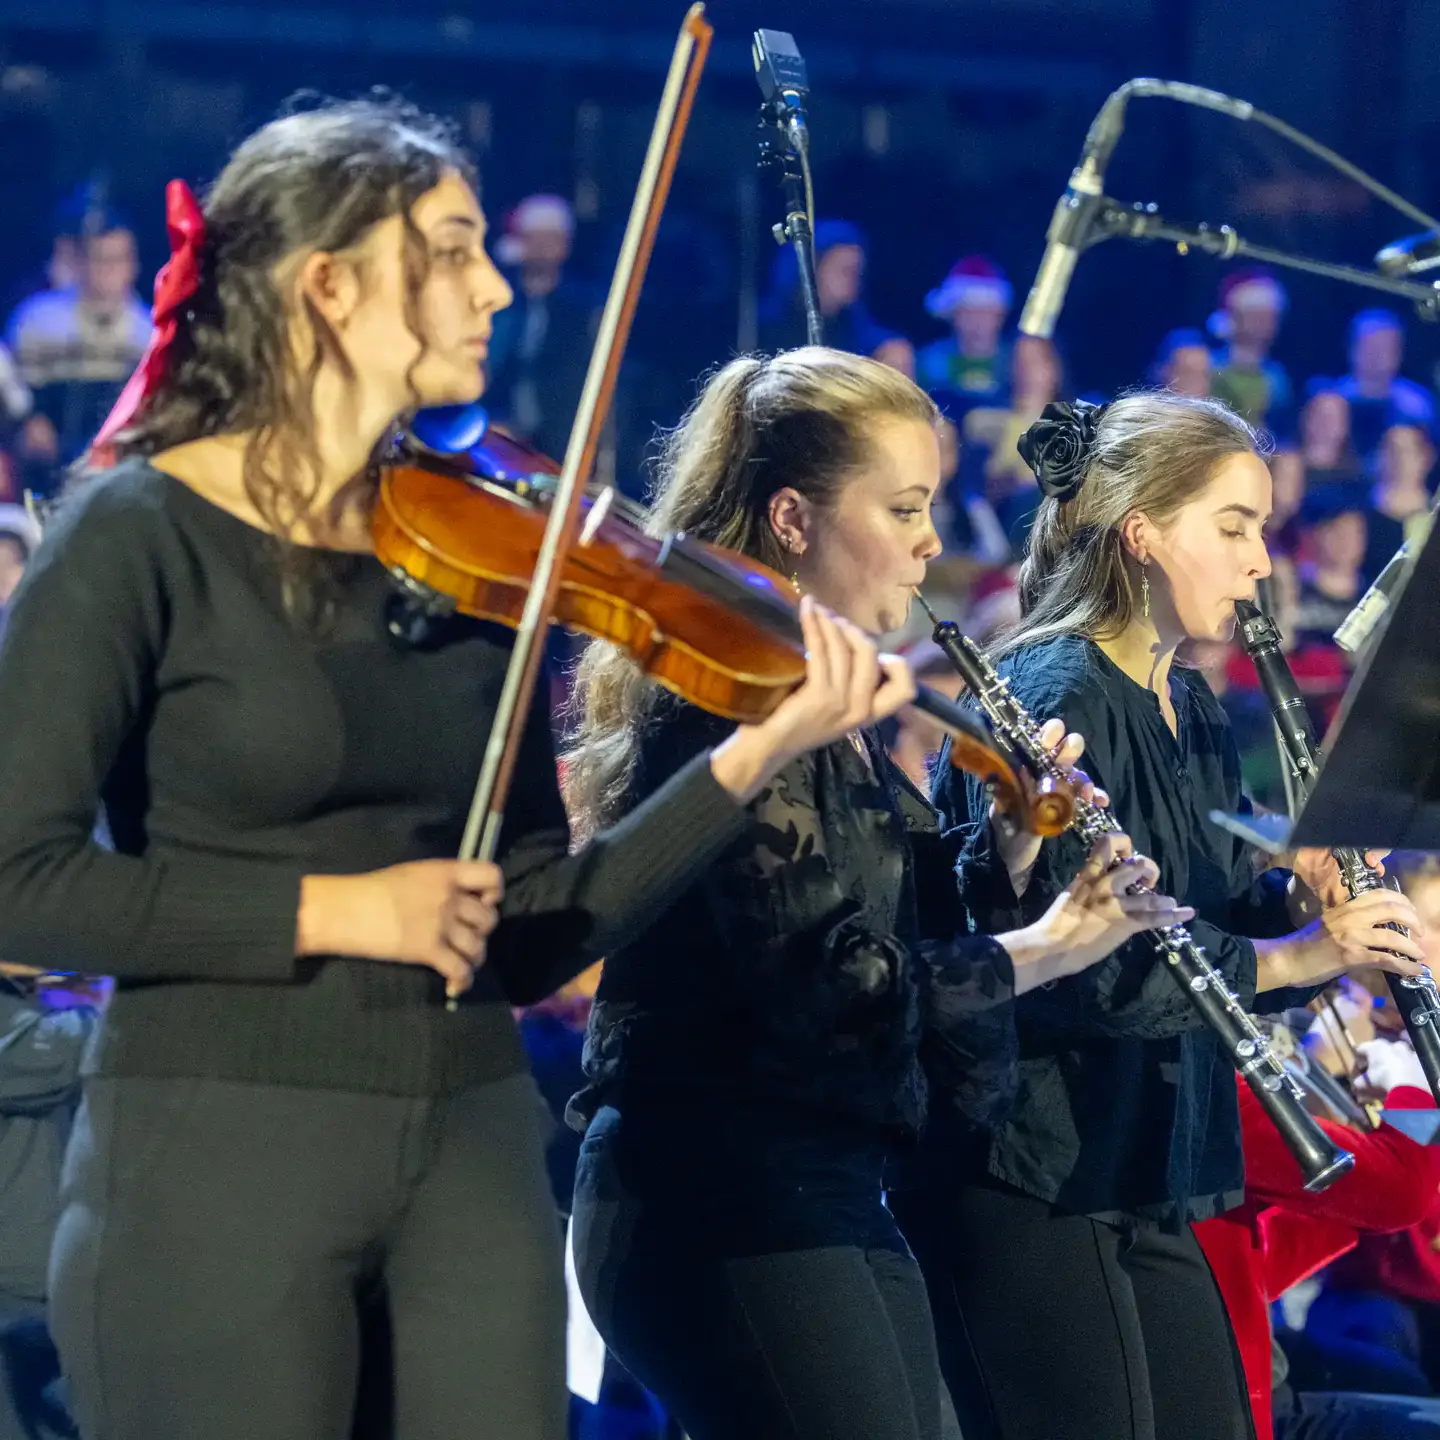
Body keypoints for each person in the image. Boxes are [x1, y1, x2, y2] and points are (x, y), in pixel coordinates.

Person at [0, 98, 900, 1440]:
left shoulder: (474, 550)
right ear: (329, 285)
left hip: (467, 1139)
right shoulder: (139, 532)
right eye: (453, 250)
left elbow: (531, 933)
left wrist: (756, 753)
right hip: (212, 1145)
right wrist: (335, 911)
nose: (493, 287)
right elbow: (18, 882)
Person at [563, 348, 1191, 1440]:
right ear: (792, 519)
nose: (931, 542)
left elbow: (916, 952)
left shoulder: (842, 720)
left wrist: (1007, 858)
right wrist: (1054, 944)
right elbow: (839, 986)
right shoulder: (731, 716)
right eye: (903, 508)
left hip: (836, 1183)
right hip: (714, 1193)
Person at [890, 391, 1429, 1440]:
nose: (1260, 561)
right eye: (1234, 527)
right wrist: (1304, 952)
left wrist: (1305, 902)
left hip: (1160, 1157)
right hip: (1042, 1166)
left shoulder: (1195, 705)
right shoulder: (1054, 691)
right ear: (1142, 534)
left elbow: (1208, 907)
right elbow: (1098, 965)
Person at [4, 205, 151, 483]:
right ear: (81, 262)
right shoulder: (36, 320)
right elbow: (10, 384)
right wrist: (27, 421)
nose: (108, 270)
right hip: (43, 464)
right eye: (100, 259)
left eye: (118, 259)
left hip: (117, 470)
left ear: (133, 265)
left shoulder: (149, 331)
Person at [485, 192, 597, 461]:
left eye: (551, 239)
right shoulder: (501, 301)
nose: (542, 248)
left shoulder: (583, 309)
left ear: (565, 245)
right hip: (500, 429)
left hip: (559, 439)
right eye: (534, 239)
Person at [917, 256, 1013, 421]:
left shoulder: (1017, 362)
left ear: (1000, 315)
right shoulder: (931, 361)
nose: (977, 321)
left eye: (985, 312)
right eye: (968, 312)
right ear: (952, 314)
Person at [1336, 309, 1435, 465]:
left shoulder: (1418, 406)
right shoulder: (1332, 400)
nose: (1376, 355)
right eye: (1370, 347)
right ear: (1352, 349)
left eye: (1385, 348)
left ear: (1399, 353)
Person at [1210, 269, 1295, 439]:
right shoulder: (1211, 366)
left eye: (1269, 317)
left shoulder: (1276, 377)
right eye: (1255, 316)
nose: (1263, 324)